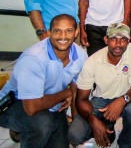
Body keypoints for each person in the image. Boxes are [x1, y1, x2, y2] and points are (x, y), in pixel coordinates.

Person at [0, 14, 87, 148]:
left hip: (50, 104)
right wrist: (66, 93)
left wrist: (75, 128)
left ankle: (26, 128)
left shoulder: (80, 55)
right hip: (14, 103)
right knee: (42, 123)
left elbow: (76, 90)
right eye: (57, 31)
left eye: (68, 31)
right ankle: (23, 127)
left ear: (76, 32)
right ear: (48, 33)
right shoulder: (34, 58)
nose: (63, 36)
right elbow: (32, 107)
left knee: (59, 140)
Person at [67, 23, 131, 148]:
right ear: (106, 40)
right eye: (113, 39)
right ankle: (106, 126)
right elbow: (81, 99)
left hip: (128, 96)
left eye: (123, 39)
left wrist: (121, 101)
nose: (118, 44)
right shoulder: (92, 61)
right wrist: (93, 120)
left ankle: (125, 143)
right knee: (74, 135)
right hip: (102, 99)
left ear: (128, 41)